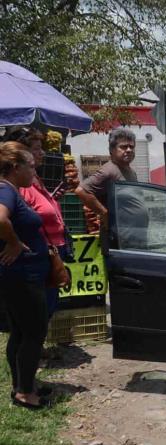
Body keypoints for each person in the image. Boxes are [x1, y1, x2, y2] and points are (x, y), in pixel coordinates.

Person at [0, 142, 52, 409]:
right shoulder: (5, 191)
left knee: (20, 333)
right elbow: (0, 219)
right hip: (21, 276)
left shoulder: (12, 190)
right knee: (34, 333)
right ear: (14, 167)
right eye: (30, 166)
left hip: (20, 275)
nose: (35, 170)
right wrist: (14, 242)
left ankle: (23, 385)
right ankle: (25, 394)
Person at [6, 127, 71, 317]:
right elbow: (12, 218)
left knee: (43, 314)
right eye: (36, 148)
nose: (42, 152)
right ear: (22, 154)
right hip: (34, 261)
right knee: (35, 319)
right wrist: (13, 242)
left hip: (48, 256)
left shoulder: (34, 180)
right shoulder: (19, 186)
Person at [75, 128, 149, 248]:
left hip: (135, 236)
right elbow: (81, 190)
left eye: (131, 146)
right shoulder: (109, 170)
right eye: (124, 147)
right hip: (120, 239)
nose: (129, 150)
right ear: (112, 150)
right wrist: (104, 213)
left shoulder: (131, 171)